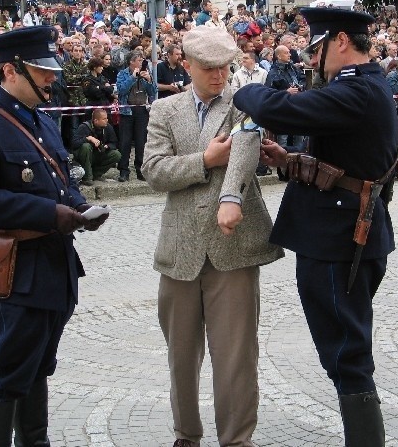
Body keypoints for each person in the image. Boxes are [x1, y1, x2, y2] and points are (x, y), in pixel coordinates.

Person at [233, 8, 398, 446]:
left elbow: (280, 108)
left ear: (341, 41)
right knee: (346, 349)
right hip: (347, 233)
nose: (311, 60)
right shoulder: (367, 85)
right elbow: (348, 162)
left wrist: (244, 88)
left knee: (347, 355)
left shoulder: (356, 90)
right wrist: (288, 161)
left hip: (338, 240)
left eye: (317, 48)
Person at [0, 26, 109, 447]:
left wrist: (78, 207)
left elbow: (61, 177)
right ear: (10, 70)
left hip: (53, 265)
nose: (51, 78)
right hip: (12, 267)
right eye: (41, 71)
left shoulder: (40, 119)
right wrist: (49, 214)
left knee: (37, 367)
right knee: (6, 374)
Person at [142, 26, 283, 447]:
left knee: (237, 357)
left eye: (224, 67)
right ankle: (186, 434)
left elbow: (243, 153)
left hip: (233, 247)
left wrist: (229, 197)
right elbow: (153, 171)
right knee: (181, 357)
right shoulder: (164, 110)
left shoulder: (242, 104)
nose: (219, 77)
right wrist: (204, 159)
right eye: (208, 69)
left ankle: (237, 440)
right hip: (180, 249)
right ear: (186, 66)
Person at [116, 50, 156, 182]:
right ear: (131, 62)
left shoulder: (146, 72)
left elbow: (153, 91)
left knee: (141, 142)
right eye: (138, 60)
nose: (141, 62)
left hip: (142, 111)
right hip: (127, 111)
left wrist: (149, 80)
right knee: (125, 142)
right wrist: (133, 77)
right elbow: (121, 90)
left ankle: (140, 170)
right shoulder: (123, 74)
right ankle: (123, 170)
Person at [69, 108, 121, 185]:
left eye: (106, 118)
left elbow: (114, 143)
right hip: (84, 157)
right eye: (104, 119)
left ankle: (95, 174)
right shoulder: (84, 127)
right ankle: (87, 177)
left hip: (98, 154)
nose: (106, 120)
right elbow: (73, 144)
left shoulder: (108, 127)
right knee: (86, 146)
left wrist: (107, 146)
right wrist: (88, 138)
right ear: (96, 121)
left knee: (116, 154)